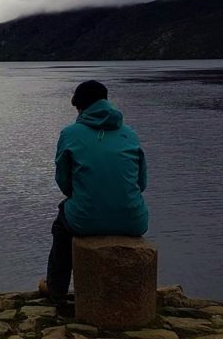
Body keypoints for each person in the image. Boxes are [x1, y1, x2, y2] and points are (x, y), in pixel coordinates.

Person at [38, 79, 149, 298]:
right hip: (134, 220)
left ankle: (56, 292)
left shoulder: (70, 133)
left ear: (80, 106)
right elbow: (141, 183)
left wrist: (80, 195)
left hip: (84, 220)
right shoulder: (130, 133)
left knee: (61, 226)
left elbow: (63, 182)